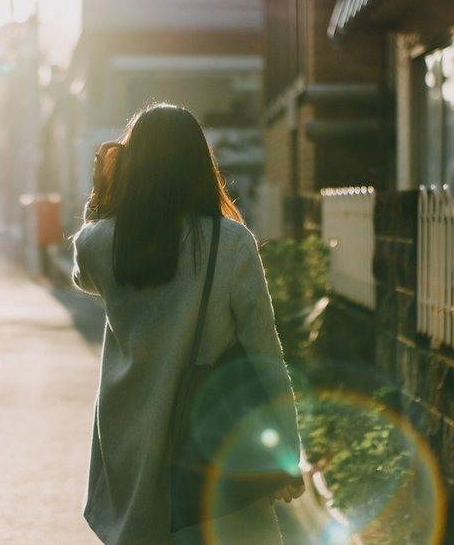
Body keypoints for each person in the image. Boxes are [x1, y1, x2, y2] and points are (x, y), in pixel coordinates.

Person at [72, 104, 305, 545]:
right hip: (208, 443)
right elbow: (264, 352)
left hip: (128, 437)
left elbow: (84, 278)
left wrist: (103, 194)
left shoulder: (100, 241)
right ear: (201, 163)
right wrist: (287, 452)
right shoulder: (230, 243)